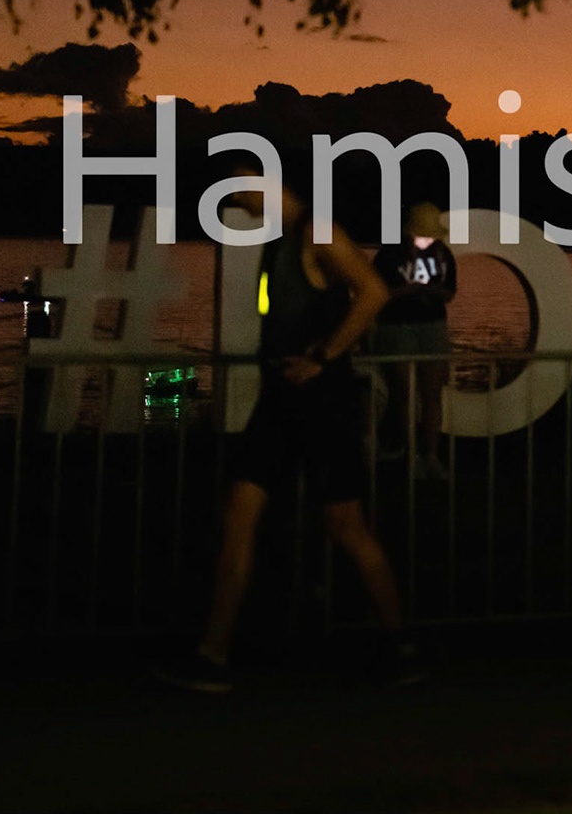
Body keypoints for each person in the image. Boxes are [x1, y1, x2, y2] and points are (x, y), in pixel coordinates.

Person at [155, 157, 417, 692]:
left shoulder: (317, 231)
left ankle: (400, 647)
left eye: (237, 190)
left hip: (322, 401)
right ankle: (213, 654)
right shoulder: (281, 239)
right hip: (281, 399)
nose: (234, 202)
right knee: (239, 511)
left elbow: (373, 291)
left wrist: (323, 355)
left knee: (345, 525)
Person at [372, 202, 457, 478]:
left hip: (431, 325)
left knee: (431, 393)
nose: (428, 240)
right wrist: (409, 290)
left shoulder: (443, 254)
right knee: (403, 392)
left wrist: (430, 291)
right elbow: (377, 291)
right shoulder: (390, 255)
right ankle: (410, 453)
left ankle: (429, 455)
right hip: (398, 326)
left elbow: (449, 292)